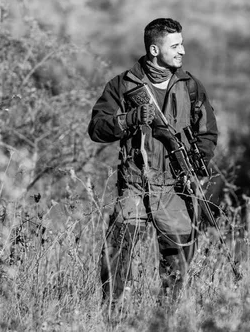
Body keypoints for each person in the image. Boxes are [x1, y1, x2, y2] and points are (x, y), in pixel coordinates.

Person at [88, 18, 218, 306]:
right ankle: (111, 315)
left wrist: (198, 168)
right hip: (134, 184)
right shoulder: (123, 85)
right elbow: (97, 129)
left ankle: (164, 318)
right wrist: (129, 120)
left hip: (175, 187)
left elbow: (207, 132)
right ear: (154, 49)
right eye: (175, 45)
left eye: (181, 43)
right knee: (117, 250)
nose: (182, 50)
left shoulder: (190, 86)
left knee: (179, 258)